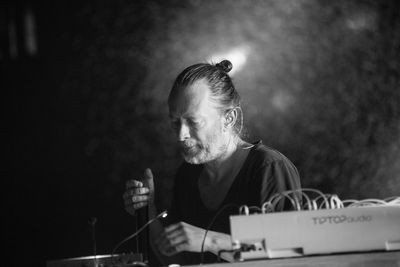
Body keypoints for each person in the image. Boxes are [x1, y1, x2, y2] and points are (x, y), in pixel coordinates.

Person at [123, 60, 301, 265]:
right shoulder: (188, 175)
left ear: (229, 118)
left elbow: (291, 253)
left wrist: (210, 240)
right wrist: (148, 211)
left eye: (194, 122)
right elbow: (178, 260)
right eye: (175, 122)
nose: (181, 135)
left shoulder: (269, 168)